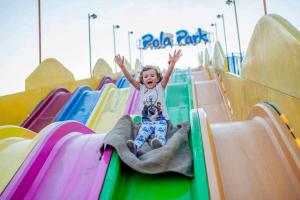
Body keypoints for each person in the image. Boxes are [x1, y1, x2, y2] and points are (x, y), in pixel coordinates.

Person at [114, 49, 182, 155]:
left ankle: (159, 143)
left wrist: (172, 63)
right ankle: (135, 146)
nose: (149, 78)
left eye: (152, 75)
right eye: (145, 76)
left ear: (158, 78)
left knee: (160, 132)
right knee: (142, 134)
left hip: (160, 120)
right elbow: (131, 80)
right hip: (146, 121)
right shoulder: (141, 89)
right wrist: (122, 67)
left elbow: (167, 75)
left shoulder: (160, 87)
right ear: (142, 80)